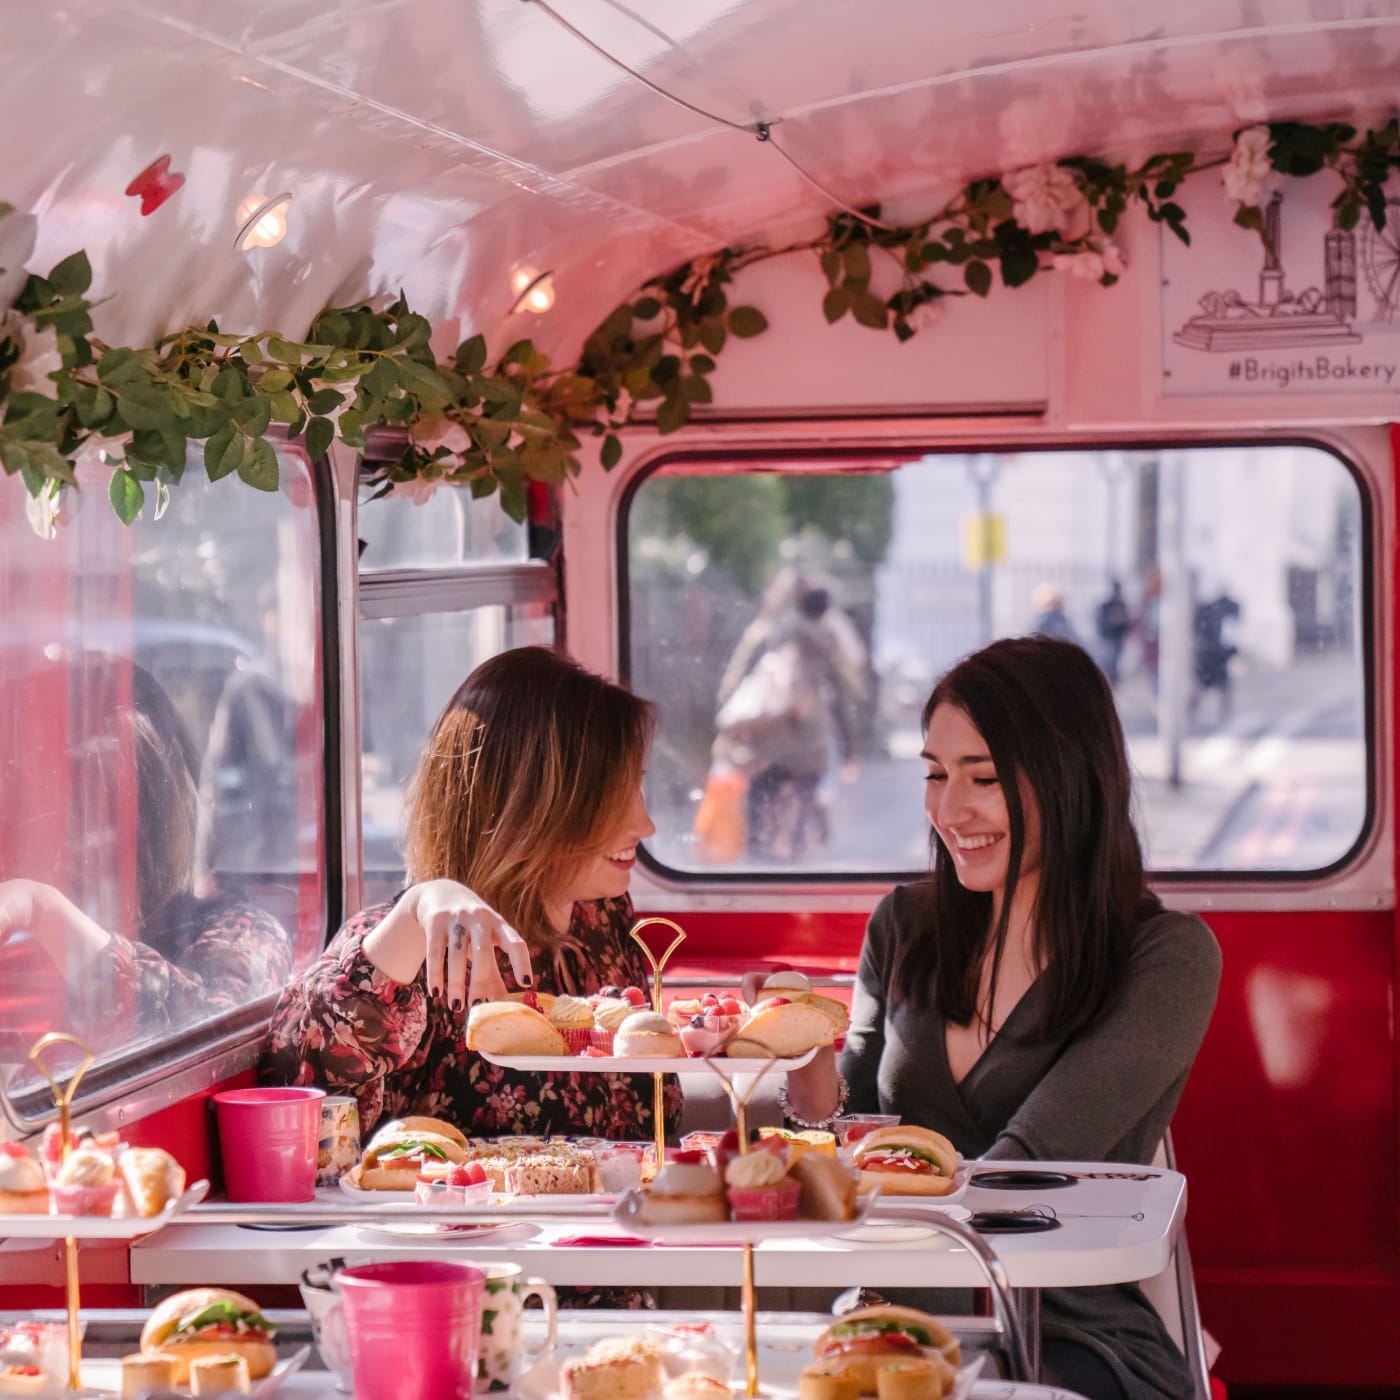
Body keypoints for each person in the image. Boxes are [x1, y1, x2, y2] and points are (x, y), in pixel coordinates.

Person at [782, 636, 1221, 1400]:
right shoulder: (904, 924)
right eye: (935, 774)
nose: (949, 809)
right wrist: (790, 1045)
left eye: (982, 778)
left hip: (1068, 1329)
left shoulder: (1166, 957)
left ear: (1069, 781)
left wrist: (862, 1166)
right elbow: (840, 1121)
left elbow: (1022, 1170)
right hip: (892, 1316)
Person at [262, 646, 683, 1144]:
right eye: (613, 800)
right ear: (533, 810)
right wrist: (419, 907)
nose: (646, 824)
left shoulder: (604, 919)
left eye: (637, 788)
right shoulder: (412, 950)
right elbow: (296, 1084)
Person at [0, 655, 292, 1040]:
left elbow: (205, 1028)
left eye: (91, 810)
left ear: (152, 820)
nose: (68, 843)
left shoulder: (242, 936)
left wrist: (42, 908)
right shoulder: (21, 953)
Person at [711, 573, 860, 862]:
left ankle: (758, 859)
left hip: (767, 741)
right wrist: (850, 749)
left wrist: (731, 723)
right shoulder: (827, 642)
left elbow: (735, 682)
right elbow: (843, 699)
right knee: (804, 799)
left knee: (759, 797)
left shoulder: (765, 634)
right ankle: (797, 852)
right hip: (810, 740)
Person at [1095, 579, 1132, 685]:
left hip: (1118, 638)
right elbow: (1101, 622)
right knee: (1109, 660)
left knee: (1115, 661)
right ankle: (1110, 680)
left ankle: (1113, 680)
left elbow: (1127, 623)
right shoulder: (1106, 605)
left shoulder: (1121, 605)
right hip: (1109, 637)